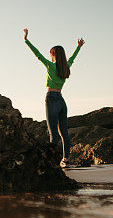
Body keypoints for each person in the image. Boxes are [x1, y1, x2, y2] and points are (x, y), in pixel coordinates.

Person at [23, 28, 85, 168]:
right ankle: (65, 159)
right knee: (64, 133)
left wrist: (26, 40)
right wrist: (78, 47)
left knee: (53, 133)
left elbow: (37, 54)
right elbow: (72, 59)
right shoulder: (66, 67)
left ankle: (52, 162)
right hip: (61, 101)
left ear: (53, 55)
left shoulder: (51, 66)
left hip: (51, 99)